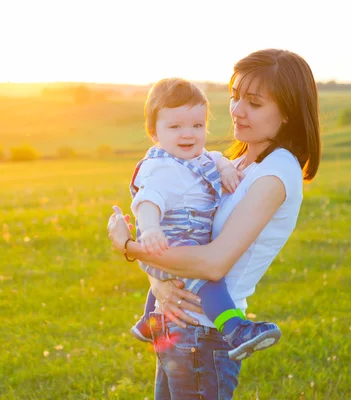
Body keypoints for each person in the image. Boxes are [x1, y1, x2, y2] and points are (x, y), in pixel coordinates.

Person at [107, 48, 321, 399]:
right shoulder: (233, 162)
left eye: (254, 102)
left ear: (287, 113)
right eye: (235, 96)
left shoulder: (277, 172)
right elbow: (178, 226)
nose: (236, 110)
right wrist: (157, 283)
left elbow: (213, 262)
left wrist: (129, 248)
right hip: (177, 323)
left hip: (205, 336)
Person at [128, 77, 282, 362]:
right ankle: (235, 329)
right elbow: (147, 200)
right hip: (172, 242)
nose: (188, 134)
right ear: (154, 132)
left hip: (187, 241)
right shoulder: (160, 167)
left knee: (190, 278)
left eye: (197, 126)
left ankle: (149, 322)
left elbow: (215, 157)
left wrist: (225, 168)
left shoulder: (198, 156)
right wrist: (149, 228)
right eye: (175, 127)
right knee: (208, 282)